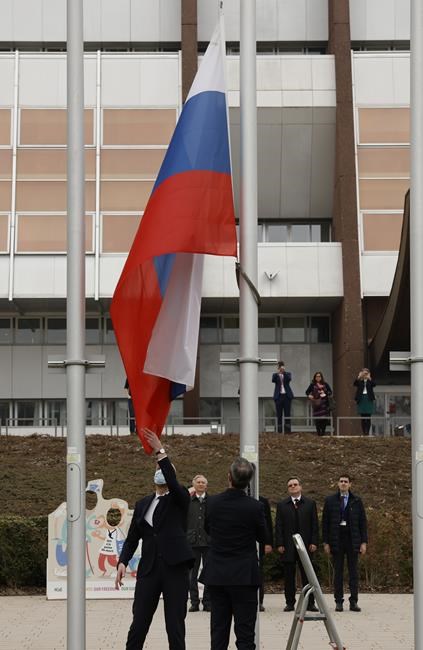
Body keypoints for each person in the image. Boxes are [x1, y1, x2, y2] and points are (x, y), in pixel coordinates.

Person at [115, 428, 194, 650]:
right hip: (149, 570)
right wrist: (122, 562)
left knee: (175, 626)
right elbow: (132, 538)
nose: (159, 471)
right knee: (139, 623)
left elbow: (170, 475)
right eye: (156, 468)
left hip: (175, 569)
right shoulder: (143, 504)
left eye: (163, 469)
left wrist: (160, 451)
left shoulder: (180, 499)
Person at [200, 457, 267, 650]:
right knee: (245, 634)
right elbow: (263, 537)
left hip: (218, 574)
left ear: (229, 477)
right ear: (248, 482)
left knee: (219, 632)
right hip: (244, 575)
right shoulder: (255, 507)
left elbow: (207, 528)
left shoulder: (212, 502)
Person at [322, 474, 368, 612]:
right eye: (341, 481)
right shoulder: (330, 501)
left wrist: (363, 542)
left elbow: (362, 523)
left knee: (353, 572)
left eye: (346, 482)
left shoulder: (357, 501)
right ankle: (338, 601)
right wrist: (325, 542)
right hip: (337, 540)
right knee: (338, 572)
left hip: (353, 540)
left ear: (350, 484)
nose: (343, 483)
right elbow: (325, 523)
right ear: (337, 484)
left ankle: (353, 601)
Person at [275, 476, 319, 612]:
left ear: (300, 487)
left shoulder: (310, 504)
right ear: (288, 489)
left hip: (306, 545)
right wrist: (280, 543)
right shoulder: (282, 505)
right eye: (290, 485)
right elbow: (279, 526)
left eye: (295, 484)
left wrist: (314, 541)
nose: (293, 487)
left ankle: (310, 603)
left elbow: (314, 525)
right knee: (289, 576)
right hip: (288, 546)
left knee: (308, 575)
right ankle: (290, 602)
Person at [187, 474, 211, 612]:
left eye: (203, 482)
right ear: (194, 485)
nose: (201, 484)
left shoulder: (212, 501)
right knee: (192, 574)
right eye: (199, 482)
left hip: (208, 542)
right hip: (192, 542)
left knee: (209, 572)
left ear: (206, 485)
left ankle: (207, 602)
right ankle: (194, 602)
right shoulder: (188, 501)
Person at [258, 496, 274, 612]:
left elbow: (267, 523)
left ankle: (259, 601)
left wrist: (268, 542)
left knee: (258, 573)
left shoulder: (262, 501)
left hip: (259, 544)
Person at [306, 371, 333, 436]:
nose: (318, 377)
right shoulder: (312, 384)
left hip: (324, 404)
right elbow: (307, 392)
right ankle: (318, 433)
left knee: (324, 420)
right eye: (317, 376)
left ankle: (323, 433)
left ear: (321, 377)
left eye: (319, 376)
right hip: (317, 404)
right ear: (315, 378)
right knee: (317, 420)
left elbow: (330, 392)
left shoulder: (325, 384)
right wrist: (310, 396)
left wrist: (325, 393)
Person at [272, 361, 294, 433]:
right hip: (279, 396)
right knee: (279, 413)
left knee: (287, 413)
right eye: (279, 367)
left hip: (286, 396)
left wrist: (283, 372)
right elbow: (273, 380)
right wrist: (278, 373)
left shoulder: (288, 374)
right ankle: (279, 429)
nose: (281, 368)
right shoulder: (275, 375)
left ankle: (287, 430)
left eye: (282, 367)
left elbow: (289, 379)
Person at [354, 368, 376, 435]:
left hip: (368, 398)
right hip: (361, 398)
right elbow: (355, 384)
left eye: (366, 373)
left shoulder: (370, 381)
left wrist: (369, 378)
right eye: (364, 373)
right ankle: (364, 432)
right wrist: (359, 377)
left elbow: (374, 384)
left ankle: (367, 432)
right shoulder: (360, 381)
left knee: (368, 417)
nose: (365, 375)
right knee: (363, 417)